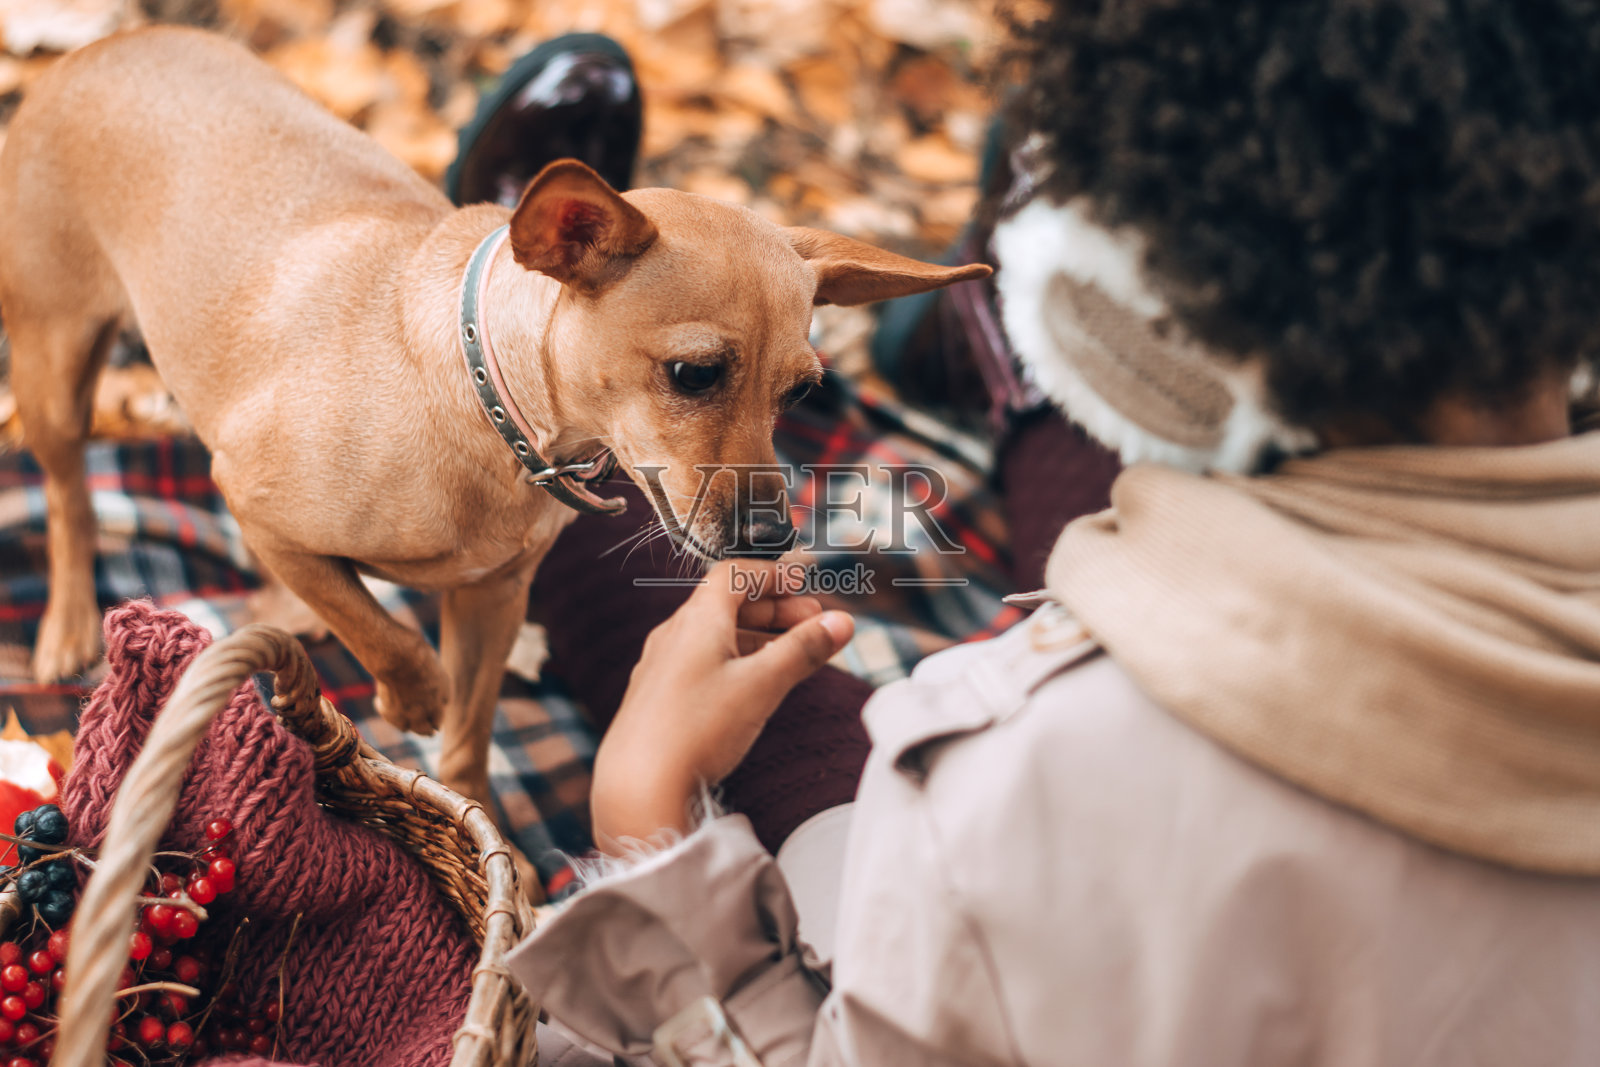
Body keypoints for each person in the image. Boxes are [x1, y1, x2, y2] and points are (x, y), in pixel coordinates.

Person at [497, 1, 1600, 1064]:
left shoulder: (1007, 786)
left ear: (1102, 318)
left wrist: (650, 829)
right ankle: (979, 339)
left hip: (967, 929)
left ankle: (523, 315)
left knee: (685, 604)